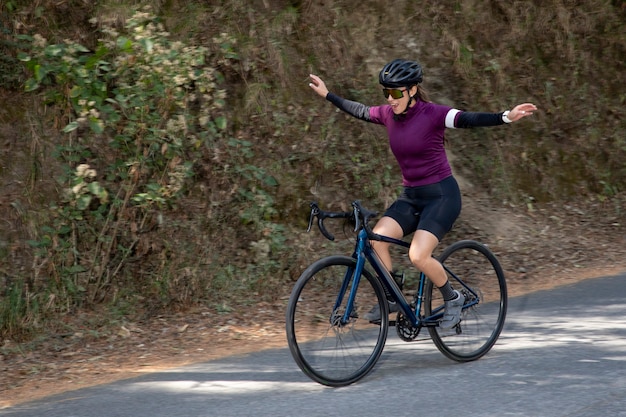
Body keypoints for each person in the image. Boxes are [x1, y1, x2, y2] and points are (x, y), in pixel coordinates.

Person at [309, 58, 537, 328]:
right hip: (411, 197)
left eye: (395, 92)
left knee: (417, 256)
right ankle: (392, 298)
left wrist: (505, 117)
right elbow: (359, 110)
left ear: (412, 90)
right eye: (386, 93)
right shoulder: (387, 115)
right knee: (376, 241)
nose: (390, 99)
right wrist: (328, 95)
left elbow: (467, 119)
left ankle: (453, 297)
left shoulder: (433, 114)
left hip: (442, 197)